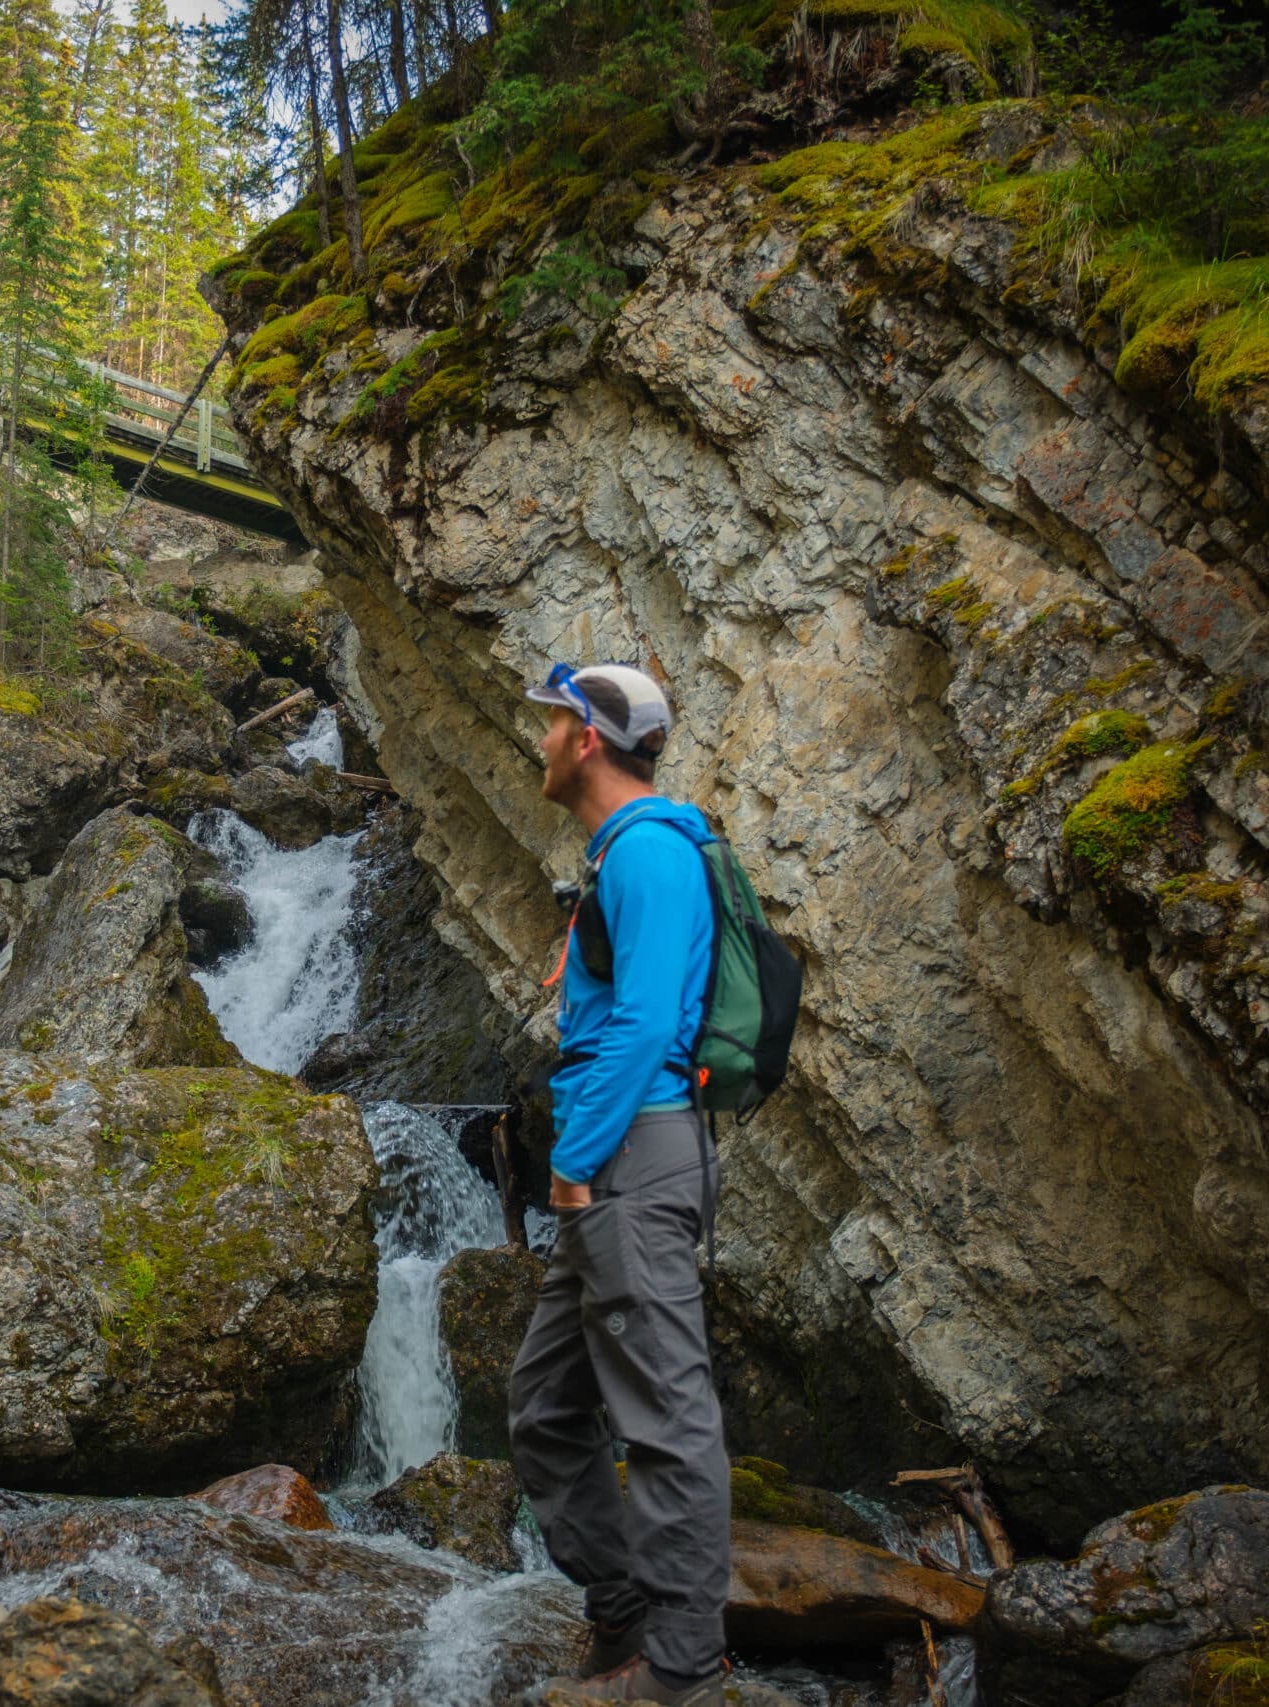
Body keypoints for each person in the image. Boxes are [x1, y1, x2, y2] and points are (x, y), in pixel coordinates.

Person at [511, 661, 732, 1707]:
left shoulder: (647, 850)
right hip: (622, 1160)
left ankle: (680, 1670)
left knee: (662, 1418)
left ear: (588, 740)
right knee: (547, 1406)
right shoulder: (622, 855)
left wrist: (568, 1165)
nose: (541, 741)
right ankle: (625, 1614)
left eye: (551, 723)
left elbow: (646, 1026)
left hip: (628, 1163)